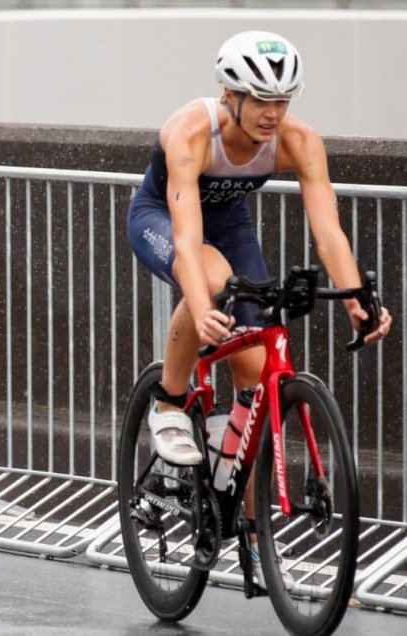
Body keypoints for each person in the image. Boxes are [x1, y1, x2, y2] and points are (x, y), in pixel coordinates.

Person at [127, 30, 392, 587]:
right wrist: (202, 306)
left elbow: (328, 230)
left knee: (254, 380)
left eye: (283, 100)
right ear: (230, 94)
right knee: (212, 279)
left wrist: (357, 300)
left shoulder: (300, 140)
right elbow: (186, 233)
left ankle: (249, 528)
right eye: (262, 100)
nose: (273, 113)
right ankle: (169, 404)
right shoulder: (190, 131)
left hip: (230, 224)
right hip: (162, 218)